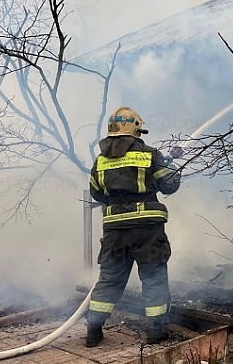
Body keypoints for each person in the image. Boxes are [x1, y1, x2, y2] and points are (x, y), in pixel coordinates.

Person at [85, 106, 181, 347]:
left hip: (114, 231)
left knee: (110, 279)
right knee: (153, 277)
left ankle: (93, 328)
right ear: (136, 129)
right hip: (147, 229)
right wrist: (169, 166)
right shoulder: (150, 154)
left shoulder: (100, 160)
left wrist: (119, 203)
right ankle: (157, 330)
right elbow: (169, 185)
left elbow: (96, 192)